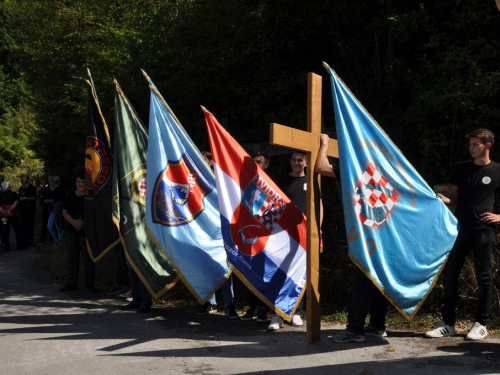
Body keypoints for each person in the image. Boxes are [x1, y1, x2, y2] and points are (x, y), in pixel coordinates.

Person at [425, 129, 500, 341]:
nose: (471, 148)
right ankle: (448, 323)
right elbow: (453, 198)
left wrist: (499, 217)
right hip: (460, 230)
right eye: (471, 144)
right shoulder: (461, 169)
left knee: (483, 276)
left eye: (476, 144)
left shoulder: (497, 170)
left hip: (484, 232)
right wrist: (441, 199)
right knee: (450, 275)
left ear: (488, 145)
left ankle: (481, 324)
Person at [315, 133, 387, 343]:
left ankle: (355, 329)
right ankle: (377, 325)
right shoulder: (383, 171)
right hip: (382, 234)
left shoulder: (353, 170)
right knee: (377, 281)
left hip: (366, 235)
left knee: (362, 281)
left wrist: (325, 144)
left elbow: (321, 167)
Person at [267, 151, 323, 331]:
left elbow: (319, 205)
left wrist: (318, 228)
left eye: (300, 160)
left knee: (300, 273)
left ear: (306, 163)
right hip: (284, 234)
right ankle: (277, 314)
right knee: (281, 272)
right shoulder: (282, 180)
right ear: (290, 162)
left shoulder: (312, 181)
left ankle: (295, 312)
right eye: (294, 160)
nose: (296, 163)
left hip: (304, 235)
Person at [197, 151, 239, 319]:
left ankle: (229, 305)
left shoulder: (220, 181)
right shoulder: (194, 181)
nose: (201, 163)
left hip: (221, 230)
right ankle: (210, 302)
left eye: (204, 161)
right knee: (207, 268)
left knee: (224, 268)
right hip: (203, 231)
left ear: (211, 163)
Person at [240, 152, 271, 323]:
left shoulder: (271, 186)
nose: (256, 164)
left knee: (264, 271)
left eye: (259, 162)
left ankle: (263, 308)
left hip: (265, 235)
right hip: (249, 233)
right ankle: (251, 307)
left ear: (266, 165)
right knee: (250, 270)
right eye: (254, 162)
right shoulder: (247, 183)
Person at [59, 173, 96, 292]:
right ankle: (72, 283)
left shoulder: (90, 196)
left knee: (88, 258)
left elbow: (92, 211)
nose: (80, 185)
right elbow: (64, 211)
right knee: (72, 258)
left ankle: (89, 285)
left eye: (83, 182)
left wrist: (82, 222)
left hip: (86, 231)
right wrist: (73, 222)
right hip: (71, 230)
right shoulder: (70, 195)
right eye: (78, 182)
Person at [0, 181, 23, 251]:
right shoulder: (14, 194)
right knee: (17, 229)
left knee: (4, 230)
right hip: (13, 215)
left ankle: (6, 246)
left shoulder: (0, 195)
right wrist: (9, 210)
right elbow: (15, 204)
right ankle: (20, 245)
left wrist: (3, 211)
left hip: (3, 216)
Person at [18, 174, 38, 248]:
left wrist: (25, 198)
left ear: (26, 179)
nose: (21, 180)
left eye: (23, 178)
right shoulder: (21, 188)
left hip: (30, 209)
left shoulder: (32, 188)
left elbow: (35, 198)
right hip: (22, 209)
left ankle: (29, 241)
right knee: (22, 226)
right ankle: (24, 240)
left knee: (30, 225)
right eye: (21, 178)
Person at [46, 176, 65, 247]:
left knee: (58, 225)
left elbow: (52, 199)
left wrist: (47, 200)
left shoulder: (58, 190)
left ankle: (59, 242)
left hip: (58, 210)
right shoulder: (59, 190)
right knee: (51, 225)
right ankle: (57, 241)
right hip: (54, 210)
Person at [36, 176, 52, 246]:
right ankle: (42, 239)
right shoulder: (46, 189)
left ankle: (54, 240)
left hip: (53, 209)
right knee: (45, 224)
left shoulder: (57, 189)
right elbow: (42, 198)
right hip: (46, 209)